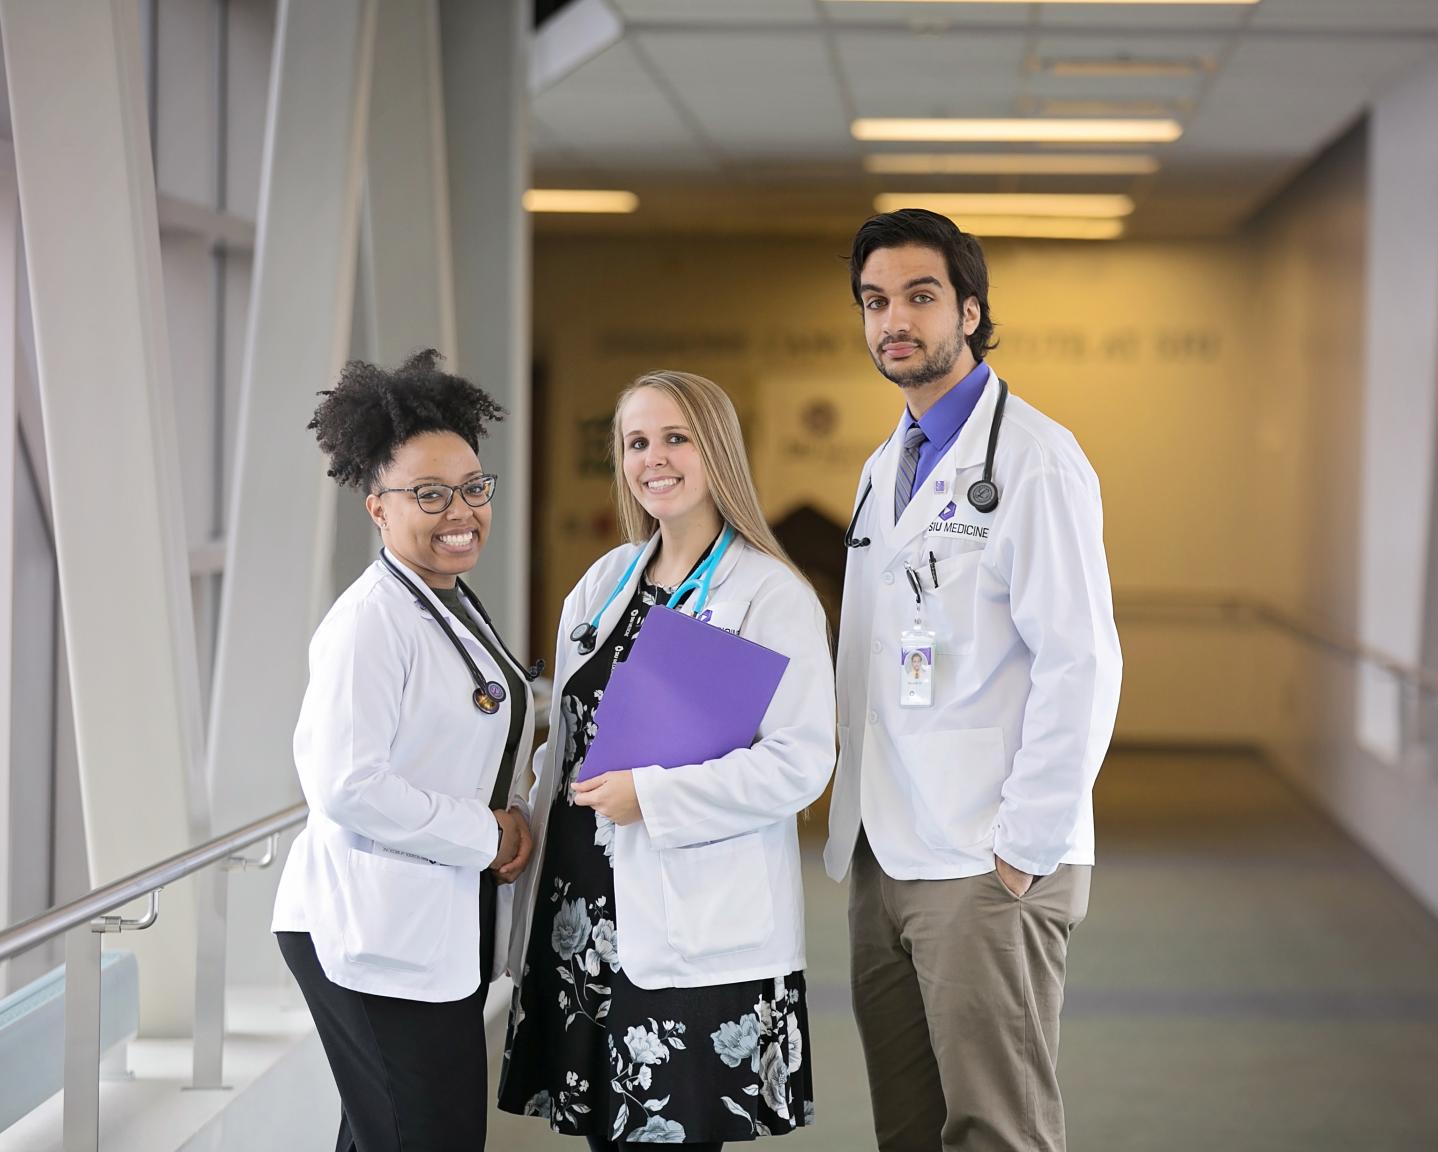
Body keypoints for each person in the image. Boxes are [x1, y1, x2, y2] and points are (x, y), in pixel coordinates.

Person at [825, 209, 1123, 1152]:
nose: (894, 321)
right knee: (906, 1131)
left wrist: (1023, 849)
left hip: (987, 862)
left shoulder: (1036, 461)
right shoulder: (889, 466)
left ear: (970, 309)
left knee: (997, 1131)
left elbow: (1082, 661)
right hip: (887, 852)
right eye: (876, 302)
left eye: (919, 296)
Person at [498, 370, 834, 1150]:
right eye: (636, 442)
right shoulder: (603, 582)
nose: (654, 458)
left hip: (693, 924)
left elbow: (799, 763)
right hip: (583, 906)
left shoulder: (769, 593)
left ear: (716, 450)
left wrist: (654, 796)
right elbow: (570, 737)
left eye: (675, 437)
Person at [271, 350, 538, 1152]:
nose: (460, 510)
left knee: (393, 1136)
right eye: (427, 493)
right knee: (428, 1137)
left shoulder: (447, 601)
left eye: (471, 487)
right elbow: (348, 786)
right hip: (366, 935)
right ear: (376, 508)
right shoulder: (370, 623)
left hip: (422, 931)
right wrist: (487, 834)